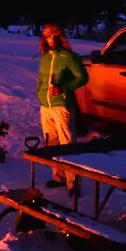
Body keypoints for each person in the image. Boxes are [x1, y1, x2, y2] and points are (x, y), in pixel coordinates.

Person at [36, 23, 89, 194]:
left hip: (61, 106)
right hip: (46, 107)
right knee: (52, 143)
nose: (49, 39)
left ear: (59, 36)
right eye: (46, 36)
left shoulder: (68, 57)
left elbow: (82, 77)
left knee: (67, 144)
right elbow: (41, 78)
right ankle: (58, 177)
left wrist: (65, 87)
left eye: (52, 35)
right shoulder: (44, 57)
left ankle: (73, 183)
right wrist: (40, 93)